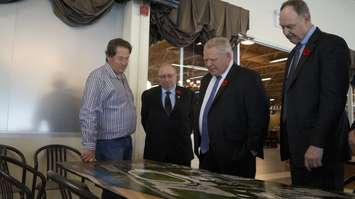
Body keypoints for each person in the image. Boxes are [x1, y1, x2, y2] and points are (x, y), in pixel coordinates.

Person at [279, 0, 351, 191]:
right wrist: (290, 148)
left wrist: (317, 143)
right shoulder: (294, 53)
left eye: (290, 26)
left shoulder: (331, 45)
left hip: (320, 150)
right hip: (298, 149)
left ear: (306, 18)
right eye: (282, 27)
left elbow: (333, 99)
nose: (286, 32)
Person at [194, 37, 269, 178]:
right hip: (206, 156)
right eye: (205, 60)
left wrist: (249, 151)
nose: (208, 64)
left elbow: (259, 118)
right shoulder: (205, 80)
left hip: (236, 160)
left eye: (213, 59)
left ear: (228, 56)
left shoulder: (248, 78)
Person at [79, 38, 136, 199]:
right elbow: (88, 112)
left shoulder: (121, 77)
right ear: (109, 57)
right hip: (110, 145)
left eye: (127, 58)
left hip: (125, 141)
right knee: (114, 192)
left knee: (123, 189)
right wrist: (89, 145)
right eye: (121, 58)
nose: (125, 63)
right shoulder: (98, 77)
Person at [141, 63, 194, 166]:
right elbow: (145, 120)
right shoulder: (148, 95)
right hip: (155, 151)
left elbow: (192, 120)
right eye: (163, 76)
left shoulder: (188, 94)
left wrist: (182, 133)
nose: (166, 79)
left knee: (182, 181)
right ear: (159, 78)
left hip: (181, 151)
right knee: (154, 181)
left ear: (176, 76)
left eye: (170, 76)